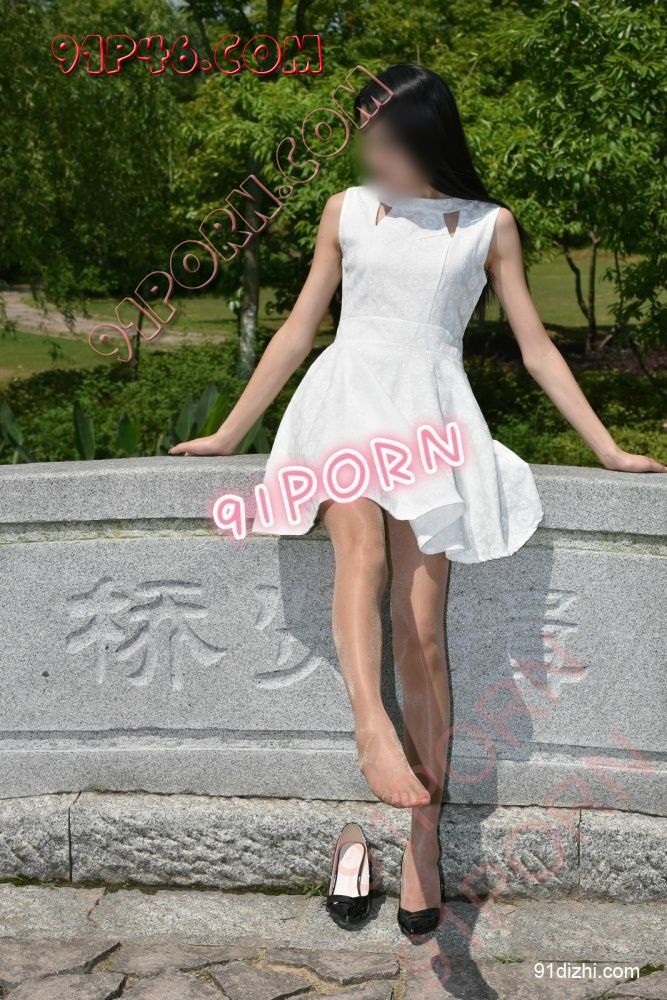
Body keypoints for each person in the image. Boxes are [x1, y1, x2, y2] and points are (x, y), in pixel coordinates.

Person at [170, 64, 665, 933]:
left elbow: (536, 348)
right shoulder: (345, 209)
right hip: (345, 402)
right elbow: (299, 328)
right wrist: (229, 433)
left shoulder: (486, 226)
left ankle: (422, 839)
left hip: (430, 418)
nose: (369, 151)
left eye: (382, 136)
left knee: (422, 629)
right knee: (357, 551)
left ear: (422, 135)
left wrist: (607, 448)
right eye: (365, 134)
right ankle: (371, 726)